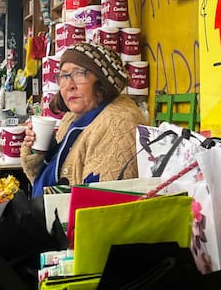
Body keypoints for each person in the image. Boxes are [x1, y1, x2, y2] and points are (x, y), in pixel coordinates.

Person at [20, 41, 147, 198]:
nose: (69, 85)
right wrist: (42, 151)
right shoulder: (73, 118)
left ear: (102, 82)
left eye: (79, 73)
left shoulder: (117, 124)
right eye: (64, 76)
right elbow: (47, 188)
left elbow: (99, 205)